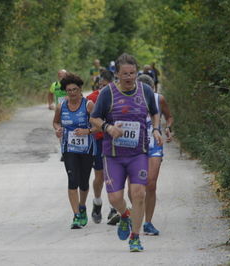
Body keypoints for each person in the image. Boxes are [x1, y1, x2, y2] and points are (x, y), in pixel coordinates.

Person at [90, 53, 163, 252]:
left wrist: (156, 129)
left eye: (132, 73)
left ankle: (135, 237)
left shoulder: (145, 90)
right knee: (114, 198)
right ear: (117, 74)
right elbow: (94, 118)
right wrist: (108, 127)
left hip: (138, 153)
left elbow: (155, 112)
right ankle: (124, 215)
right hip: (113, 155)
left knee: (138, 193)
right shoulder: (108, 93)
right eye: (125, 74)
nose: (129, 77)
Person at [53, 72, 98, 229]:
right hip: (69, 148)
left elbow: (99, 125)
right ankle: (76, 215)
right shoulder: (61, 106)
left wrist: (88, 131)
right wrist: (58, 130)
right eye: (68, 90)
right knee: (72, 180)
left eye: (74, 90)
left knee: (83, 182)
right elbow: (56, 123)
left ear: (80, 89)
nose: (72, 93)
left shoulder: (88, 105)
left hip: (87, 148)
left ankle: (82, 206)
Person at [137, 74, 173, 236]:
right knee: (136, 187)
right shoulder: (131, 100)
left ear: (153, 90)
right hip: (134, 148)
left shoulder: (159, 99)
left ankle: (148, 223)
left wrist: (168, 128)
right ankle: (136, 215)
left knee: (151, 184)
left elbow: (169, 117)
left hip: (154, 145)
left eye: (149, 93)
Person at [86, 70, 120, 225]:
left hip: (116, 141)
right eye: (101, 86)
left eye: (106, 86)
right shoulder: (92, 98)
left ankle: (114, 208)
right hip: (99, 141)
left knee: (115, 175)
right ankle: (97, 202)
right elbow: (92, 122)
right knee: (99, 176)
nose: (103, 89)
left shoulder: (119, 97)